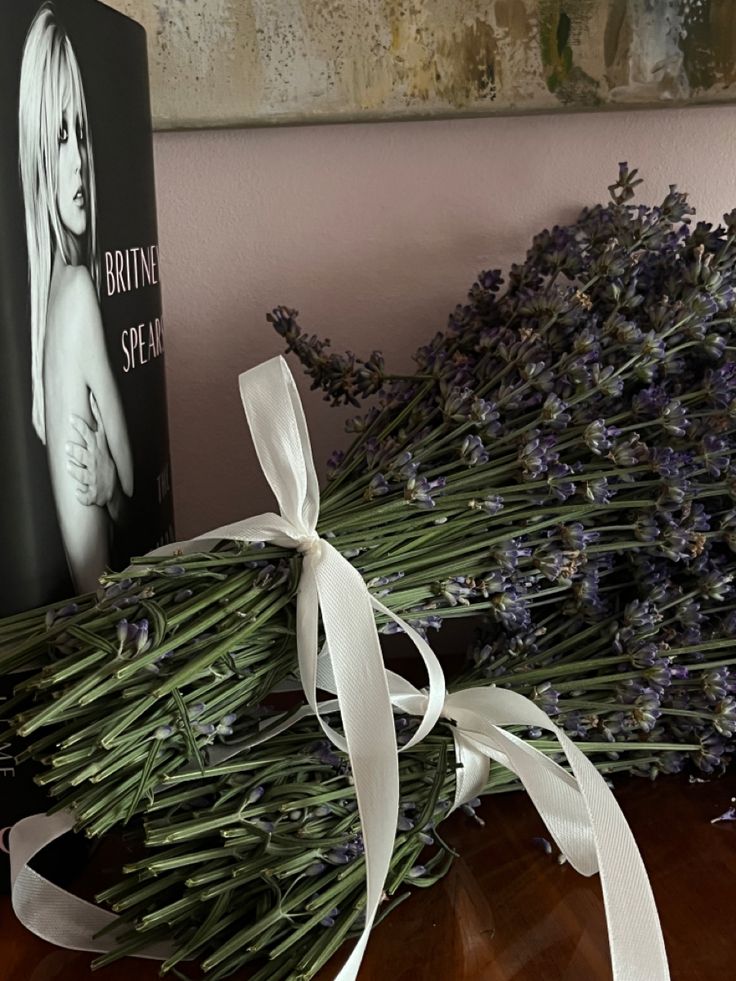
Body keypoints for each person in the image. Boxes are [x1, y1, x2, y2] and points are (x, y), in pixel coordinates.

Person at [19, 2, 133, 593]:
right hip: (111, 617)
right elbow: (132, 482)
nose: (79, 160)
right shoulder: (79, 293)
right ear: (37, 151)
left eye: (81, 132)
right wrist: (114, 484)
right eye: (60, 134)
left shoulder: (51, 307)